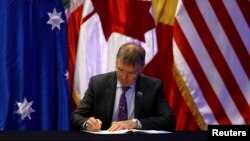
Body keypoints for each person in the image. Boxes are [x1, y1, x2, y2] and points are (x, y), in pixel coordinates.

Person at [71, 43, 176, 132]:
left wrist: (134, 123)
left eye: (131, 73)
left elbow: (169, 121)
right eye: (120, 70)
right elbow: (76, 117)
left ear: (141, 69)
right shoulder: (98, 84)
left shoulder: (153, 86)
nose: (124, 77)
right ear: (116, 63)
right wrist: (87, 124)